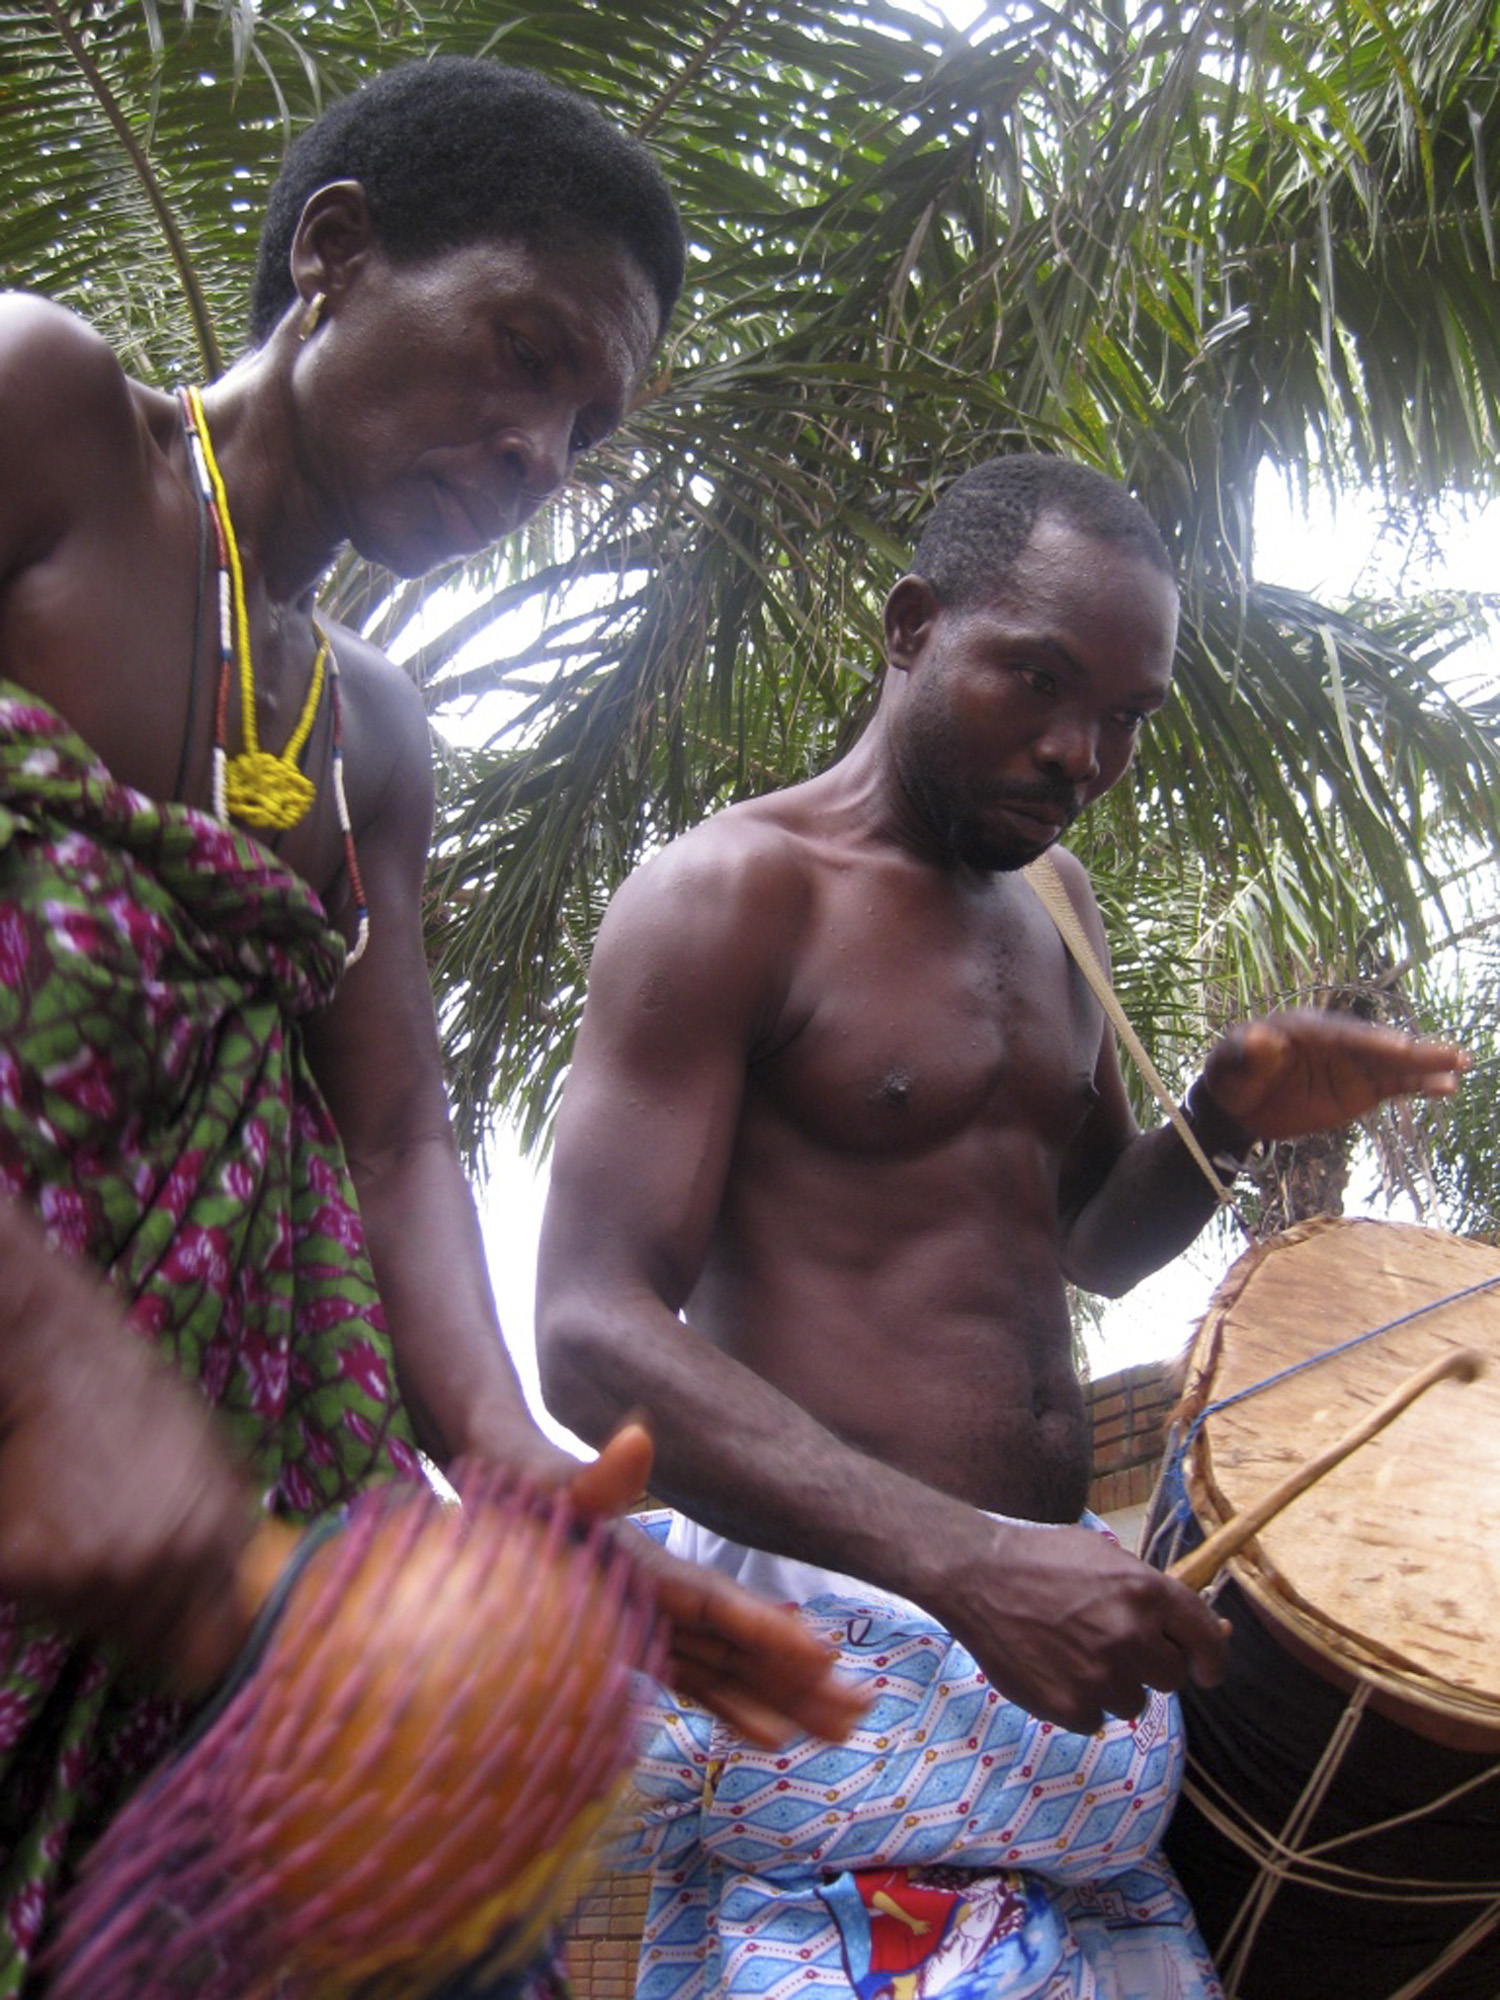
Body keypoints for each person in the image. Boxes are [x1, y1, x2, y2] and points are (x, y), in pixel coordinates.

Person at [0, 55, 859, 1997]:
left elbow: (390, 1134)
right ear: (337, 252)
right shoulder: (41, 408)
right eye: (521, 349)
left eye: (585, 428)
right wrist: (46, 1364)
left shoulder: (371, 729)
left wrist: (505, 1458)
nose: (538, 448)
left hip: (239, 1505)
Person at [533, 453, 1468, 1997]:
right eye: (1037, 680)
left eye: (1123, 714)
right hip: (844, 1645)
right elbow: (589, 1338)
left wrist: (1223, 1112)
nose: (1078, 750)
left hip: (1045, 1668)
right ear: (912, 626)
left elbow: (1090, 1243)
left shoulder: (1058, 909)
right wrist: (965, 1564)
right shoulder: (731, 894)